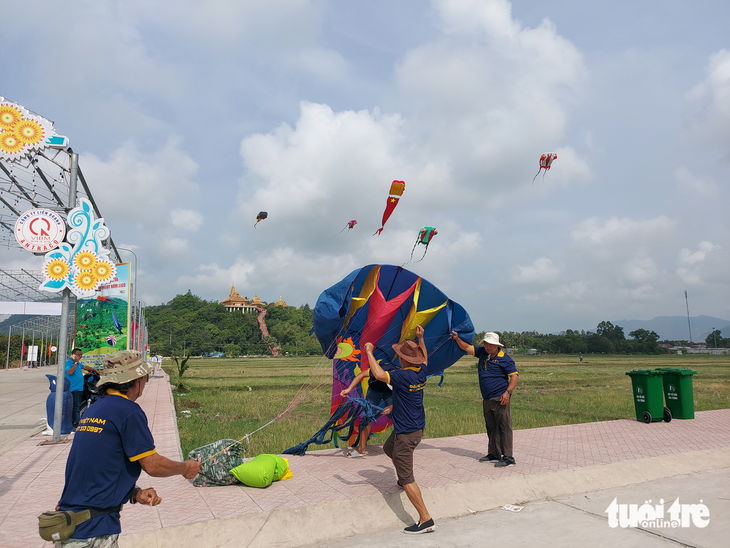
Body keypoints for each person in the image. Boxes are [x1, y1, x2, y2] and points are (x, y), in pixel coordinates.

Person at [55, 350, 201, 547]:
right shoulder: (128, 411)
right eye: (144, 376)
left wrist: (133, 493)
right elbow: (153, 465)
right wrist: (185, 468)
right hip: (93, 529)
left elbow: (98, 466)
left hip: (72, 523)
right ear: (136, 380)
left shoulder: (94, 410)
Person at [365, 325, 436, 534]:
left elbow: (378, 374)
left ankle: (425, 519)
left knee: (408, 478)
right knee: (389, 449)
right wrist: (421, 338)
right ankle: (401, 477)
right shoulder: (420, 371)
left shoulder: (402, 376)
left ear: (404, 359)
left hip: (407, 433)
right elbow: (425, 359)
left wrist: (369, 351)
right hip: (412, 428)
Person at [451, 331, 519, 467]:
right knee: (491, 426)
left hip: (500, 398)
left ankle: (508, 457)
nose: (488, 347)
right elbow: (466, 348)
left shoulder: (505, 359)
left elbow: (514, 376)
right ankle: (494, 454)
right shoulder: (483, 353)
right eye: (486, 344)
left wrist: (508, 393)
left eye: (491, 344)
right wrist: (457, 338)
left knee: (504, 427)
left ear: (497, 345)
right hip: (487, 398)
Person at [339, 366, 393, 458]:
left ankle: (403, 445)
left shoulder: (396, 373)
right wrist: (349, 389)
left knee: (399, 414)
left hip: (390, 392)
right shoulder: (375, 370)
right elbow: (360, 375)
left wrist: (393, 406)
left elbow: (404, 392)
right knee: (367, 417)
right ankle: (361, 449)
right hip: (374, 391)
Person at [65, 348, 99, 428]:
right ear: (73, 355)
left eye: (81, 355)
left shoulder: (78, 364)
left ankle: (76, 421)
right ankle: (76, 423)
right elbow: (69, 372)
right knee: (75, 406)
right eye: (78, 355)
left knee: (77, 405)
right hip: (73, 389)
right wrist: (76, 363)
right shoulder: (68, 363)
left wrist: (95, 370)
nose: (80, 356)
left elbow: (85, 366)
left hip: (79, 388)